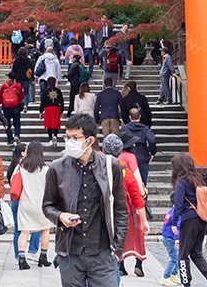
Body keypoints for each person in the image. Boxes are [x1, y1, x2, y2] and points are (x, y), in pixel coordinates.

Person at [42, 112, 128, 287]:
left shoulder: (111, 166)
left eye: (75, 137)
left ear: (89, 140)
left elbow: (120, 209)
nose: (70, 142)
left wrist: (118, 249)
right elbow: (47, 205)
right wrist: (60, 216)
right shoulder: (57, 168)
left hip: (103, 251)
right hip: (70, 251)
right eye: (67, 137)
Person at [102, 134, 149, 279]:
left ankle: (117, 267)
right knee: (123, 240)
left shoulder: (97, 168)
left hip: (101, 214)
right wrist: (144, 220)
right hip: (123, 212)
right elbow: (137, 196)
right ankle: (134, 264)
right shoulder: (127, 167)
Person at [171, 151, 207, 287]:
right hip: (201, 218)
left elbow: (179, 204)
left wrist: (174, 222)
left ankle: (185, 283)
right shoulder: (197, 178)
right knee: (196, 252)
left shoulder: (181, 181)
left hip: (189, 219)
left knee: (183, 254)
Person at [12, 140, 52, 268]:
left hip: (25, 203)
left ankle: (22, 258)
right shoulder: (46, 169)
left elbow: (14, 181)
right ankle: (43, 257)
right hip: (42, 204)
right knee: (45, 230)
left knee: (24, 232)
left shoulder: (21, 167)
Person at [7, 142, 42, 262]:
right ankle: (32, 251)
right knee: (37, 226)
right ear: (22, 153)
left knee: (18, 229)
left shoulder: (14, 166)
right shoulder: (29, 166)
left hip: (16, 199)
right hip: (28, 200)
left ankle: (18, 255)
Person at [119, 107, 157, 186]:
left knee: (129, 184)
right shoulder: (144, 129)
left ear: (130, 117)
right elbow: (152, 140)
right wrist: (152, 152)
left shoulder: (124, 129)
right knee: (143, 183)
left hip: (128, 158)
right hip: (142, 157)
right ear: (139, 116)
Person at [0, 72, 25, 144]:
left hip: (6, 107)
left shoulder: (4, 86)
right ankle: (17, 135)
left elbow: (0, 96)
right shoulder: (18, 86)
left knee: (7, 123)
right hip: (16, 107)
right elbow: (22, 96)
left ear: (9, 78)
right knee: (17, 122)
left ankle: (10, 139)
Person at [39, 76, 65, 145]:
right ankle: (55, 136)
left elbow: (42, 102)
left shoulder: (45, 92)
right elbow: (61, 101)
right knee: (56, 124)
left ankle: (50, 139)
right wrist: (62, 110)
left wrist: (41, 111)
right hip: (56, 108)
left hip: (48, 109)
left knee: (49, 124)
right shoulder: (58, 91)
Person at [161, 206, 180, 286]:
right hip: (171, 237)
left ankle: (174, 273)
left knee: (177, 256)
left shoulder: (172, 210)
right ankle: (165, 277)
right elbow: (176, 227)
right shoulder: (177, 213)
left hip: (167, 236)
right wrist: (177, 239)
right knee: (174, 259)